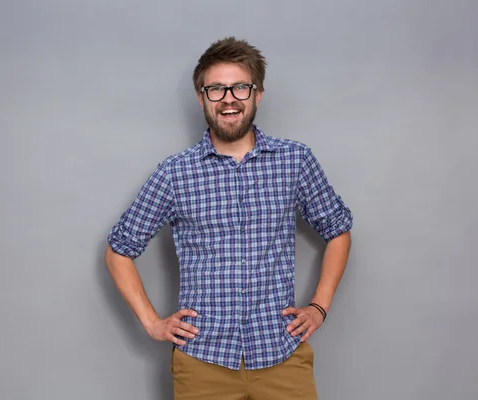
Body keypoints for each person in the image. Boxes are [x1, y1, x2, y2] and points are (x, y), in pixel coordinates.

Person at [104, 36, 353, 400]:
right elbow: (118, 250)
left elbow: (338, 229)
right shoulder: (175, 174)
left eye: (240, 87)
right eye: (216, 89)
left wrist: (318, 307)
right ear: (201, 98)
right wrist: (153, 323)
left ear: (258, 94)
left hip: (281, 355)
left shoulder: (295, 161)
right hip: (202, 362)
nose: (228, 99)